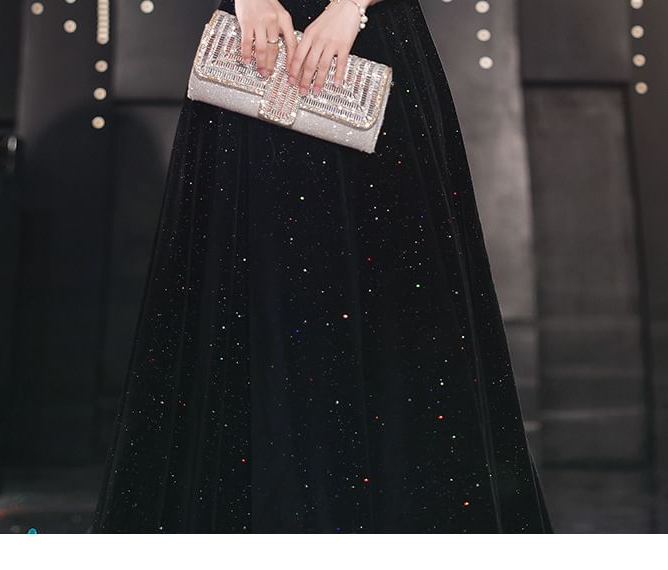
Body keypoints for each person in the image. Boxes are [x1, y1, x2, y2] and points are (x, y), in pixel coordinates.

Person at [91, 0, 554, 533]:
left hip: (365, 46)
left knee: (386, 308)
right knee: (250, 304)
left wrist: (350, 8)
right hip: (254, 47)